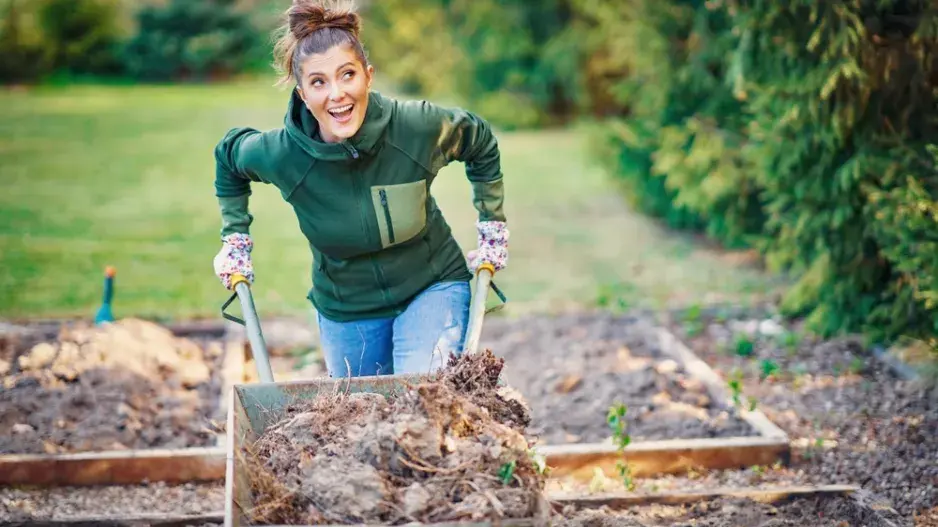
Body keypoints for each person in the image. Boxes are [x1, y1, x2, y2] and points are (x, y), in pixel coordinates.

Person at [212, 0, 509, 378]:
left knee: (424, 395)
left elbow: (478, 139)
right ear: (302, 94)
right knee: (359, 415)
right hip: (346, 307)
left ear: (368, 76)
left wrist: (492, 224)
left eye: (347, 75)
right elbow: (229, 156)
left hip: (431, 286)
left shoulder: (413, 128)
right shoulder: (282, 155)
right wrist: (235, 237)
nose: (336, 94)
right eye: (319, 82)